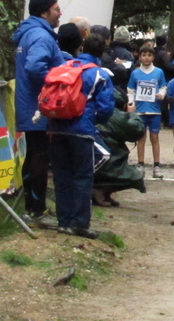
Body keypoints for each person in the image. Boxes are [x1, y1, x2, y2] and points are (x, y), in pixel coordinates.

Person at [48, 32, 115, 239]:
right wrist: (95, 120)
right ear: (102, 52)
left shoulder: (64, 67)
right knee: (83, 176)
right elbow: (105, 109)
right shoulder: (99, 74)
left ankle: (63, 221)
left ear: (82, 48)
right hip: (82, 131)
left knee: (62, 175)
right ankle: (79, 223)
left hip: (56, 127)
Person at [12, 0, 64, 228]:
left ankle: (31, 209)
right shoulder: (41, 36)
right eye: (56, 9)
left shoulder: (29, 33)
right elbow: (35, 67)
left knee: (33, 154)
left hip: (29, 105)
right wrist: (58, 82)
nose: (60, 13)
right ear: (44, 13)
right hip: (38, 108)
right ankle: (36, 212)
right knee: (40, 157)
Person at [127, 44, 168, 178]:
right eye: (144, 55)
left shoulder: (158, 72)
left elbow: (163, 87)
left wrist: (161, 95)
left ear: (153, 57)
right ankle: (140, 163)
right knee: (141, 138)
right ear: (140, 57)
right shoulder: (135, 73)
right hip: (140, 111)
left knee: (154, 138)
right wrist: (131, 102)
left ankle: (156, 165)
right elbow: (131, 90)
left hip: (154, 111)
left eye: (149, 55)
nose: (146, 57)